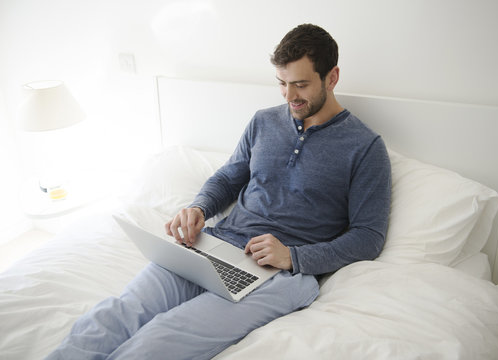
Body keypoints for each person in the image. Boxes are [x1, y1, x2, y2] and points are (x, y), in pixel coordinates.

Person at [46, 23, 391, 360]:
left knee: (161, 338)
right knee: (116, 314)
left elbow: (368, 236)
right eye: (282, 84)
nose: (289, 96)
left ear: (332, 77)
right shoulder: (263, 121)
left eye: (300, 85)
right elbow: (229, 177)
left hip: (280, 275)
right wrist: (199, 208)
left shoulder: (364, 148)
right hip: (214, 245)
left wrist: (294, 257)